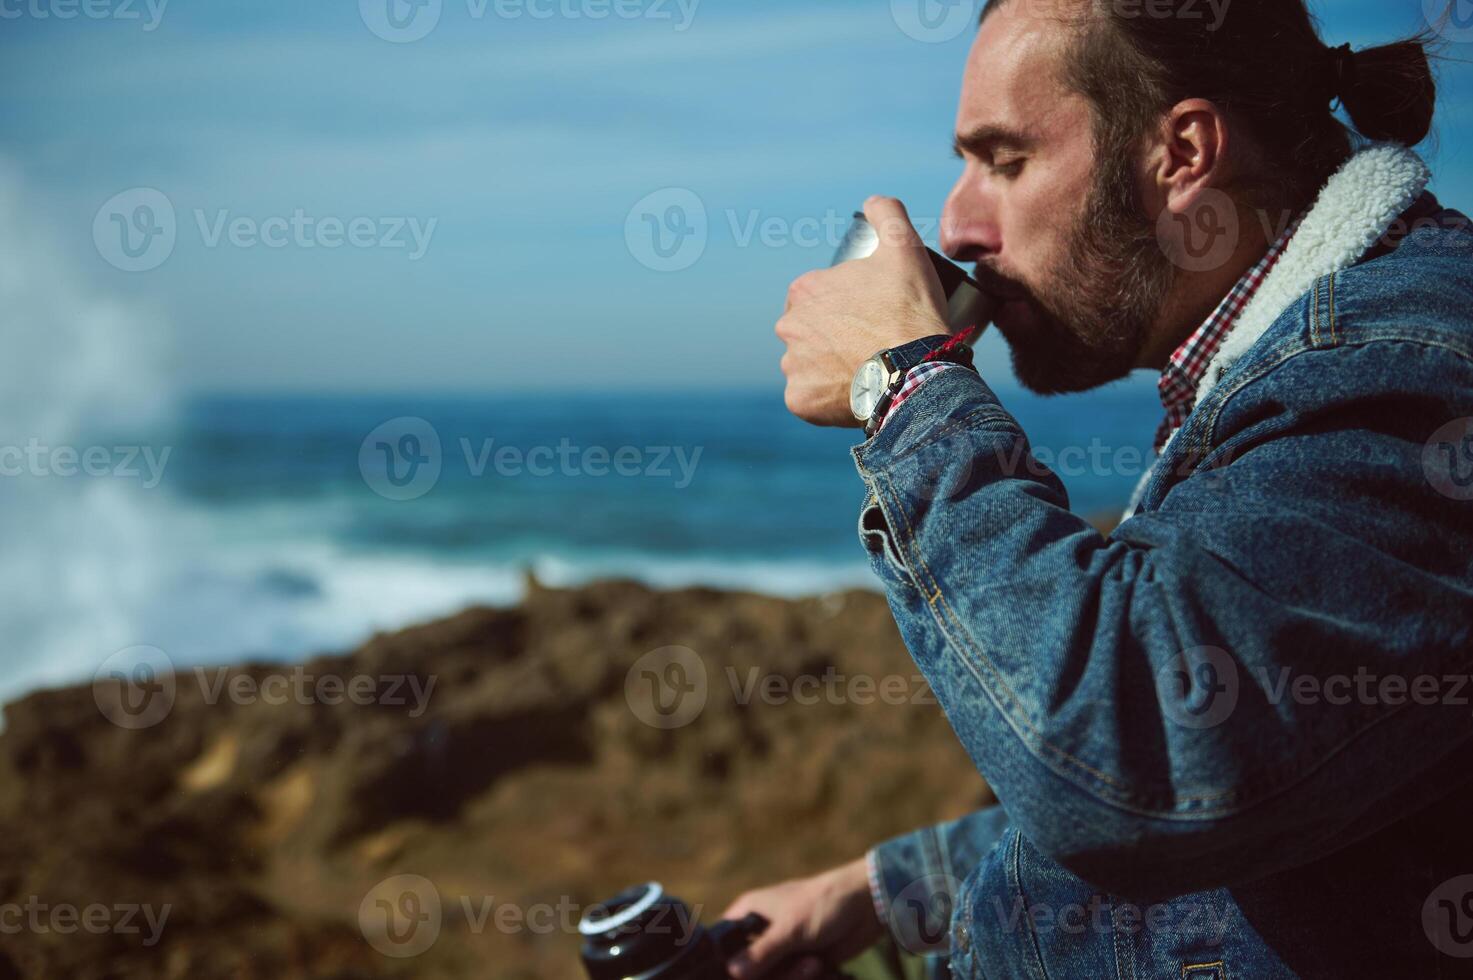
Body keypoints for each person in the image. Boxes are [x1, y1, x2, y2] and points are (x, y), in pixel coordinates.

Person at [729, 1, 1473, 978]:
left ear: (1184, 153)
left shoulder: (1400, 373)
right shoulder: (1303, 352)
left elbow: (1147, 752)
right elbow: (1291, 770)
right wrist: (889, 886)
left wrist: (902, 386)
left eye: (1003, 160)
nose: (957, 221)